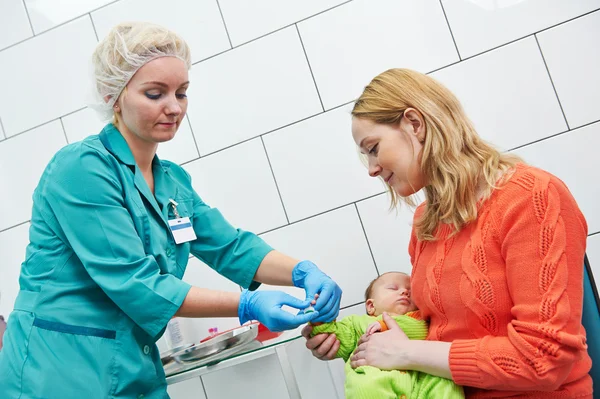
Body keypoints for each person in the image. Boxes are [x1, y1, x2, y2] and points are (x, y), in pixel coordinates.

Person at [0, 22, 342, 399]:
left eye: (182, 92)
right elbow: (136, 283)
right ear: (113, 95)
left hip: (130, 368)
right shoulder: (81, 169)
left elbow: (231, 247)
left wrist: (302, 271)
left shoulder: (172, 182)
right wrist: (247, 304)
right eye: (154, 93)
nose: (174, 107)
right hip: (58, 371)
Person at [302, 68, 592, 398]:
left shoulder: (532, 197)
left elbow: (544, 359)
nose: (371, 169)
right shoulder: (427, 221)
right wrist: (351, 338)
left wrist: (406, 353)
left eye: (373, 148)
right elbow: (433, 332)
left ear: (415, 124)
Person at [310, 271, 464, 399]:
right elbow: (339, 340)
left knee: (447, 383)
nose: (404, 291)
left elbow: (418, 331)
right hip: (377, 380)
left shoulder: (421, 321)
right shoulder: (356, 324)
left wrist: (385, 325)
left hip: (422, 380)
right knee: (364, 385)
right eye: (393, 288)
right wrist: (321, 320)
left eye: (410, 291)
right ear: (371, 306)